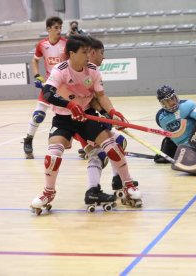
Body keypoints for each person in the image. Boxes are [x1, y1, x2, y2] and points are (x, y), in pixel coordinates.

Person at [30, 35, 141, 215]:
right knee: (53, 153)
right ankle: (48, 193)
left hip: (87, 115)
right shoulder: (61, 70)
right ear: (72, 53)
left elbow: (101, 96)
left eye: (89, 52)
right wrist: (69, 105)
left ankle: (128, 183)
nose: (88, 56)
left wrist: (113, 112)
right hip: (63, 117)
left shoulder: (93, 71)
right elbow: (48, 93)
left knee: (112, 146)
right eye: (84, 52)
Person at [23, 16, 67, 159]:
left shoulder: (66, 44)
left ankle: (86, 144)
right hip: (49, 85)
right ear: (48, 29)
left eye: (60, 27)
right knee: (39, 115)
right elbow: (34, 61)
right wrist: (37, 76)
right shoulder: (42, 45)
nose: (59, 30)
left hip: (65, 87)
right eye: (56, 28)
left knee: (73, 115)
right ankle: (28, 139)